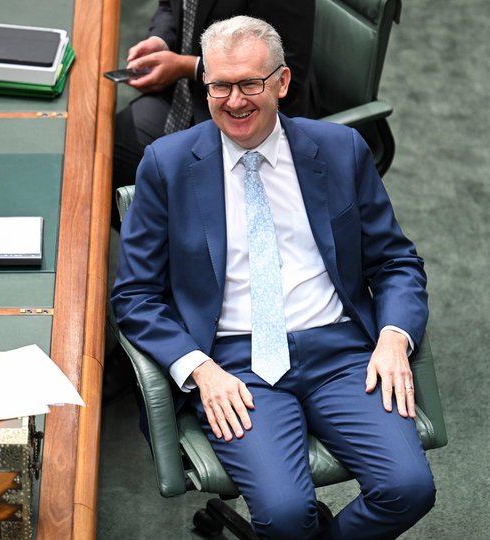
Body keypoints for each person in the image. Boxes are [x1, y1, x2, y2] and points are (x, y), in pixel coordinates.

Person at [112, 15, 435, 540]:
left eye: (250, 84)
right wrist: (199, 369)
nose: (234, 101)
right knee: (284, 516)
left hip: (341, 352)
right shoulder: (166, 164)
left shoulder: (339, 150)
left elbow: (395, 261)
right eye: (220, 85)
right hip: (237, 365)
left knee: (409, 488)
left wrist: (395, 337)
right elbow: (135, 295)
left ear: (282, 83)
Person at [112, 0, 317, 193]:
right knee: (109, 149)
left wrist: (187, 66)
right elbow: (169, 6)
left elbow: (291, 68)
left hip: (250, 111)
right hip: (183, 93)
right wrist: (161, 39)